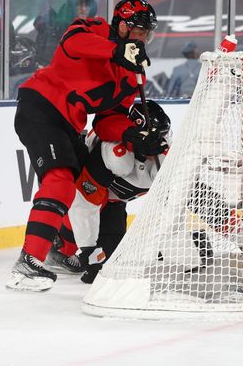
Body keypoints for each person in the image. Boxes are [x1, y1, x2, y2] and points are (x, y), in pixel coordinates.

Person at [7, 0, 162, 292]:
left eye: (147, 34)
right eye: (140, 32)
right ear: (123, 26)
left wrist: (132, 134)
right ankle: (29, 262)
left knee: (85, 188)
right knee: (60, 180)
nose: (144, 39)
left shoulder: (130, 76)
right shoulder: (94, 29)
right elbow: (71, 43)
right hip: (41, 106)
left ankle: (60, 250)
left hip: (70, 123)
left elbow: (107, 121)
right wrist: (116, 51)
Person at [45, 101, 170, 284]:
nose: (158, 144)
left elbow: (188, 191)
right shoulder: (113, 153)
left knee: (110, 261)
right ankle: (60, 246)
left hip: (113, 201)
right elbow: (84, 202)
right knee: (78, 203)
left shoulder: (166, 153)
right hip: (85, 189)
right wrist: (89, 251)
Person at [34, 0, 98, 65]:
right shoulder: (61, 27)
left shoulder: (89, 29)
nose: (84, 9)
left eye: (87, 5)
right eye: (80, 5)